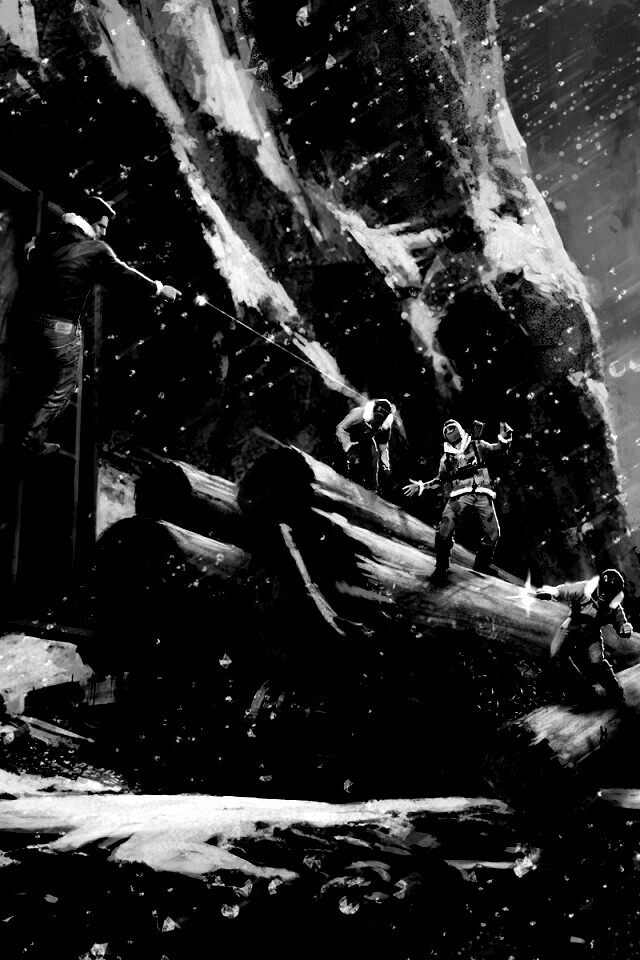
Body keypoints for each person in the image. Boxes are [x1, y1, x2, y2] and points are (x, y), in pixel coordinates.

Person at [17, 195, 181, 456]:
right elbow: (126, 275)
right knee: (64, 387)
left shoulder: (52, 237)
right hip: (62, 329)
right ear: (88, 221)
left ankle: (21, 427)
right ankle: (29, 443)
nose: (104, 232)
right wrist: (160, 289)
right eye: (101, 226)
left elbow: (32, 253)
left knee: (37, 376)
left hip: (34, 321)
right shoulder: (95, 250)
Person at [403, 418, 512, 581]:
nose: (450, 431)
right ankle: (441, 567)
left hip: (482, 492)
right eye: (447, 430)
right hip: (460, 494)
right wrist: (421, 486)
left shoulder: (477, 444)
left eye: (452, 428)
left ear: (460, 429)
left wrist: (504, 438)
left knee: (493, 532)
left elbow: (498, 450)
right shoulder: (447, 458)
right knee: (444, 528)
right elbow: (439, 480)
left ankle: (482, 564)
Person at [535, 568, 632, 708]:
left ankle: (615, 692)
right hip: (572, 626)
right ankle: (583, 693)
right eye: (603, 590)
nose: (603, 595)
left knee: (596, 662)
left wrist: (625, 629)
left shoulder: (614, 607)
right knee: (556, 654)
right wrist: (552, 593)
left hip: (591, 633)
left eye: (609, 593)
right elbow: (566, 590)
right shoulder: (585, 588)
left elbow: (621, 624)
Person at [335, 398, 395, 494]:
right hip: (346, 436)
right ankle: (340, 471)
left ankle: (372, 486)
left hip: (364, 439)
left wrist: (386, 465)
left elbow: (383, 447)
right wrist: (347, 445)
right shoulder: (358, 414)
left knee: (374, 454)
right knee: (350, 456)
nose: (377, 420)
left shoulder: (385, 427)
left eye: (381, 418)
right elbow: (340, 428)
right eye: (376, 416)